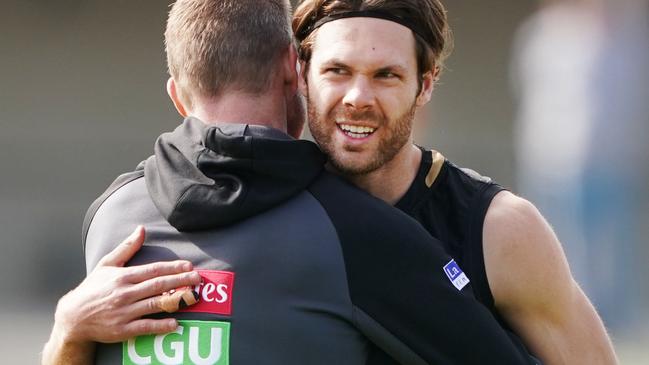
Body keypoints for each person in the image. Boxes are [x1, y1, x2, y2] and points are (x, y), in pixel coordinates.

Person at [42, 0, 533, 364]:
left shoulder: (111, 219)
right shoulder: (356, 231)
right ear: (292, 71)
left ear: (177, 94)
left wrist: (67, 332)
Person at [291, 0, 617, 364]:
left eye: (386, 75)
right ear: (302, 75)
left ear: (425, 84)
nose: (358, 98)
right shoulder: (273, 212)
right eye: (337, 70)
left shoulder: (499, 231)